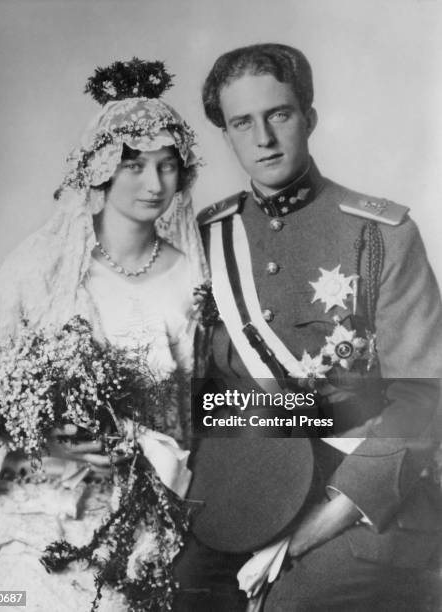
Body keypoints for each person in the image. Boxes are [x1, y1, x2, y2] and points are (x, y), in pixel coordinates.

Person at [175, 43, 442, 611]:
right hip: (250, 501)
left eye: (279, 114)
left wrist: (313, 530)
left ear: (309, 117)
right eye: (242, 122)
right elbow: (201, 393)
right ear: (226, 134)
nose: (263, 138)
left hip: (368, 508)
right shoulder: (208, 240)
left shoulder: (381, 235)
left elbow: (422, 398)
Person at [0, 58, 207, 611]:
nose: (154, 183)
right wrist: (42, 430)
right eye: (135, 165)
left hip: (144, 495)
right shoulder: (45, 263)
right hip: (37, 491)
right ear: (100, 169)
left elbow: (194, 400)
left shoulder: (192, 272)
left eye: (168, 166)